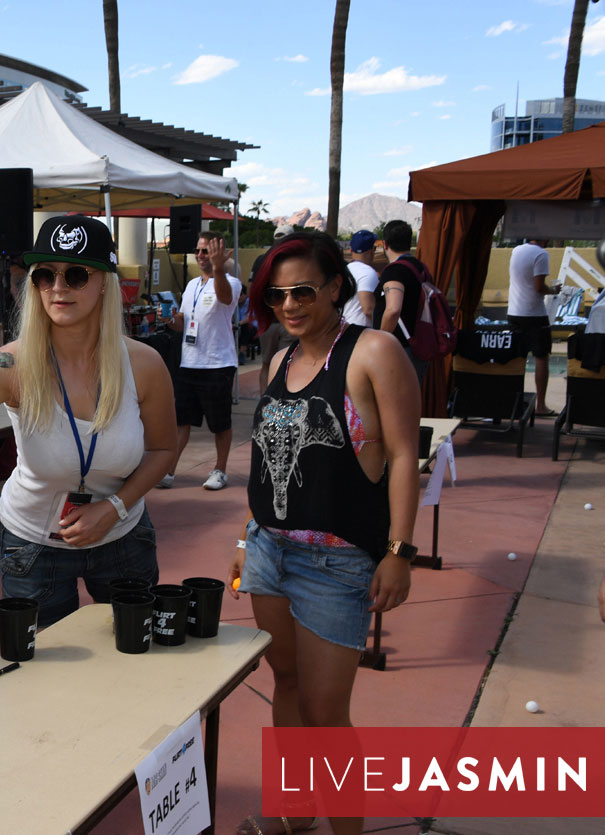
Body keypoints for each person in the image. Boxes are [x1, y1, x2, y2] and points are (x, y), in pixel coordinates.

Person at [229, 231, 420, 835]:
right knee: (285, 683)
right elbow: (268, 456)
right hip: (268, 551)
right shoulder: (281, 358)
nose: (289, 305)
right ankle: (296, 813)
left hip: (337, 562)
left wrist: (399, 552)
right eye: (278, 294)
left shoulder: (373, 352)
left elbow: (404, 455)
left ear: (336, 287)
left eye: (303, 291)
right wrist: (248, 533)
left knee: (326, 712)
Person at [0, 215, 176, 628]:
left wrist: (114, 507)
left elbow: (163, 449)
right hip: (34, 546)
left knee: (135, 659)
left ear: (106, 281)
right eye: (45, 275)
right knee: (38, 677)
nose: (58, 287)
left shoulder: (143, 364)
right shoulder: (11, 365)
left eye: (76, 274)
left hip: (122, 536)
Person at [161, 230, 243, 490]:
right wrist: (172, 321)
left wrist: (218, 269)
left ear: (219, 253)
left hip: (217, 364)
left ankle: (220, 470)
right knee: (181, 421)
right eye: (198, 250)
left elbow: (225, 298)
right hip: (190, 363)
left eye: (206, 251)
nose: (199, 255)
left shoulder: (230, 281)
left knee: (220, 423)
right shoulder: (192, 285)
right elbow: (184, 322)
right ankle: (169, 471)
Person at [507, 238, 558, 415]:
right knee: (541, 357)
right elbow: (539, 287)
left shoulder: (516, 250)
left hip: (514, 311)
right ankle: (541, 406)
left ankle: (513, 402)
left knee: (516, 358)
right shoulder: (541, 254)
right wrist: (553, 290)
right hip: (534, 314)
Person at [373, 219, 429, 383]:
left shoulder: (395, 272)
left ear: (385, 244)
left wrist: (379, 342)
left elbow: (393, 310)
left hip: (399, 350)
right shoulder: (420, 268)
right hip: (418, 344)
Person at [251, 225, 299, 393]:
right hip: (283, 320)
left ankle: (268, 400)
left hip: (272, 321)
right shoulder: (294, 262)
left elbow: (253, 288)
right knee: (285, 364)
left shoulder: (261, 260)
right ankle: (276, 400)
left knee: (269, 363)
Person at [343, 229, 380, 328]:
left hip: (343, 328)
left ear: (351, 250)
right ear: (372, 251)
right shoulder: (367, 272)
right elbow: (368, 309)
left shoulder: (344, 270)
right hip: (360, 332)